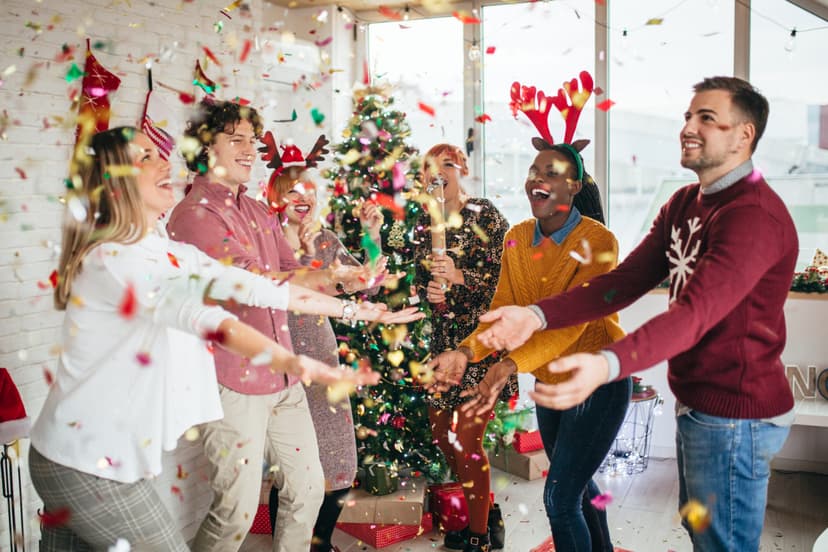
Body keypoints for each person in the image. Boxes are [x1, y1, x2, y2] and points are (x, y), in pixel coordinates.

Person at [29, 127, 392, 550]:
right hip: (91, 466)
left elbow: (251, 284)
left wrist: (353, 307)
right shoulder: (118, 259)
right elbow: (207, 318)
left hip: (71, 455)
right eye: (145, 157)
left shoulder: (162, 248)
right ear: (115, 183)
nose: (164, 162)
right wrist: (291, 362)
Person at [475, 76, 797, 552]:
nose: (688, 126)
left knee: (722, 545)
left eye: (706, 117)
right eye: (688, 116)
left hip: (738, 418)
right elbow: (619, 285)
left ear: (744, 135)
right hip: (699, 406)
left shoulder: (752, 215)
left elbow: (694, 314)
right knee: (702, 534)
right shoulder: (686, 203)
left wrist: (606, 364)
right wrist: (537, 316)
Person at [166, 99, 418, 552]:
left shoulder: (258, 212)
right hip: (234, 383)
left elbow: (295, 272)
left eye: (250, 140)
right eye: (235, 140)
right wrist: (352, 303)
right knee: (234, 515)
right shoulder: (196, 215)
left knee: (307, 490)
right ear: (206, 147)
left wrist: (345, 278)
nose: (248, 150)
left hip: (286, 381)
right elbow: (257, 284)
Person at [428, 135, 629, 552]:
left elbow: (566, 325)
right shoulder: (517, 238)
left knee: (559, 498)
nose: (536, 178)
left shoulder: (600, 242)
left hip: (598, 382)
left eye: (550, 173)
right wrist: (466, 352)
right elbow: (502, 310)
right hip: (552, 386)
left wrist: (509, 365)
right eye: (533, 171)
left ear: (575, 186)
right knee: (576, 485)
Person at [264, 163, 384, 552]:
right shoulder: (265, 239)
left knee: (340, 462)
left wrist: (372, 236)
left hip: (323, 358)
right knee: (294, 471)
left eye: (309, 191)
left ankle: (320, 543)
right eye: (292, 191)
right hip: (281, 362)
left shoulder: (326, 240)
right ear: (276, 196)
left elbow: (368, 278)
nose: (303, 199)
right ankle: (294, 543)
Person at [412, 144, 513, 552]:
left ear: (463, 169)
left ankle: (478, 535)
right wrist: (430, 289)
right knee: (442, 434)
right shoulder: (424, 221)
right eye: (430, 168)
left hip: (481, 342)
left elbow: (507, 284)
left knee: (469, 440)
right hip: (441, 343)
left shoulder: (486, 214)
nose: (439, 173)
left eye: (448, 164)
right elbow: (421, 282)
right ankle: (486, 510)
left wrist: (460, 275)